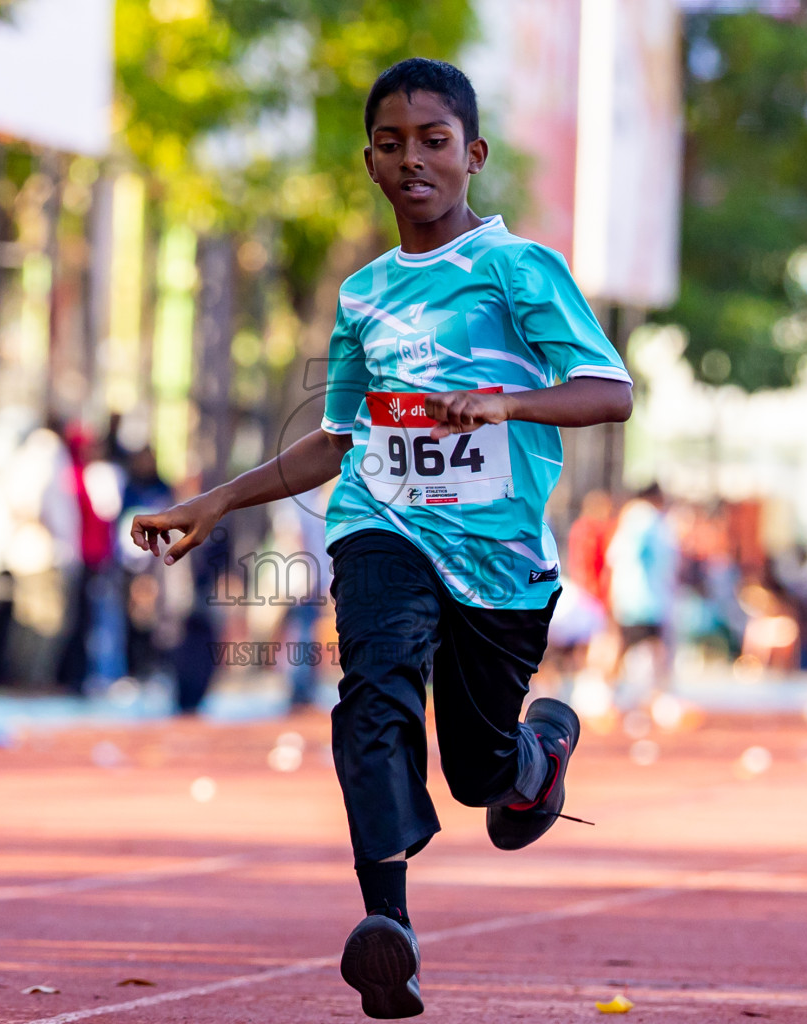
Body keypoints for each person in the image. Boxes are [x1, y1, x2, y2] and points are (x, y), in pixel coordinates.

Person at [130, 58, 633, 1019]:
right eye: (393, 144)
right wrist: (213, 504)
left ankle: (535, 756)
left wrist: (504, 403)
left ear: (472, 155)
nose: (414, 161)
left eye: (434, 142)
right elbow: (336, 440)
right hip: (381, 524)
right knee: (374, 687)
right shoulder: (363, 297)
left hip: (496, 562)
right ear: (370, 162)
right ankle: (387, 926)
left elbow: (611, 393)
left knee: (478, 771)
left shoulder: (515, 269)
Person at [606, 484, 679, 701]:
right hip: (643, 598)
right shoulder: (645, 519)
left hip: (636, 597)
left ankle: (610, 693)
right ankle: (655, 697)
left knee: (627, 645)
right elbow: (626, 556)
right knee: (647, 646)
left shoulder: (637, 519)